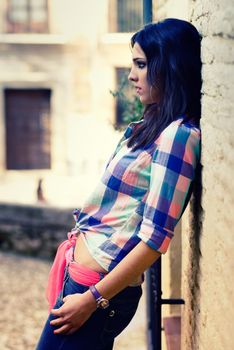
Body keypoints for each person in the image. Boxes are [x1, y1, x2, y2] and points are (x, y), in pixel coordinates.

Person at [37, 18, 202, 350]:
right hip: (81, 282)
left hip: (99, 294)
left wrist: (91, 300)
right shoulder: (151, 123)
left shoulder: (178, 136)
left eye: (141, 65)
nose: (131, 76)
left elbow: (155, 240)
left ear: (169, 66)